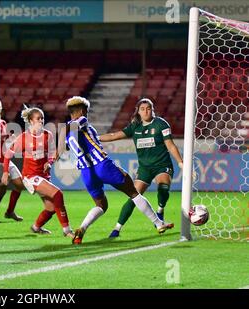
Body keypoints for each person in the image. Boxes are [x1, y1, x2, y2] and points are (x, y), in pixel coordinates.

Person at [59, 96, 174, 245]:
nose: (87, 114)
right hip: (101, 165)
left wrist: (60, 143)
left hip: (86, 172)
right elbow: (75, 124)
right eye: (86, 111)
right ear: (82, 111)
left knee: (101, 205)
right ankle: (158, 223)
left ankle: (82, 229)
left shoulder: (68, 134)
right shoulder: (81, 121)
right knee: (133, 192)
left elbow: (70, 142)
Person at [98, 98, 184, 238]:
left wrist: (180, 163)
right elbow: (115, 135)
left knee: (163, 186)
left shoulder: (161, 124)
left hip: (162, 165)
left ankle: (160, 211)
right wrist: (95, 138)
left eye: (148, 108)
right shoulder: (135, 126)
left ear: (152, 110)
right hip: (145, 168)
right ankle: (117, 229)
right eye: (142, 109)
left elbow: (170, 145)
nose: (146, 111)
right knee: (134, 196)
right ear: (138, 111)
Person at [1, 105, 74, 238]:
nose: (41, 121)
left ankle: (36, 227)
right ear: (31, 121)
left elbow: (52, 155)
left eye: (43, 118)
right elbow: (7, 154)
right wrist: (6, 172)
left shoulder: (48, 135)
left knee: (51, 208)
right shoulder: (23, 137)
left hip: (44, 176)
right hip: (30, 176)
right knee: (58, 194)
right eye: (38, 119)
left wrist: (50, 162)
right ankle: (67, 230)